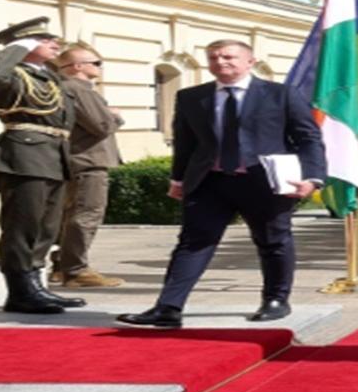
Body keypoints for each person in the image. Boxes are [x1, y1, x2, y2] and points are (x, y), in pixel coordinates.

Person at [117, 40, 325, 329]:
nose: (221, 62)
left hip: (263, 182)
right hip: (210, 182)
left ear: (250, 61)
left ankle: (276, 300)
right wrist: (177, 179)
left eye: (229, 57)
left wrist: (313, 178)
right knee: (192, 243)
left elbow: (308, 139)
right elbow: (185, 143)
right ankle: (168, 308)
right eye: (214, 58)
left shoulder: (282, 95)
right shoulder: (191, 97)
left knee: (273, 241)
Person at [0, 17, 85, 314]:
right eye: (45, 39)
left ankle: (36, 286)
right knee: (21, 227)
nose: (55, 44)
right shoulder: (11, 74)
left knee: (46, 228)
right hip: (23, 157)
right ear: (25, 43)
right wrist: (17, 47)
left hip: (52, 155)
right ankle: (20, 291)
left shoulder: (46, 76)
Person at [50, 46, 125, 288]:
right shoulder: (78, 89)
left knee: (72, 215)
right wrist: (115, 115)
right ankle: (75, 270)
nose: (100, 67)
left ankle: (62, 266)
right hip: (88, 161)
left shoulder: (66, 88)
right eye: (96, 62)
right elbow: (102, 125)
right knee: (87, 214)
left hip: (78, 159)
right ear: (77, 66)